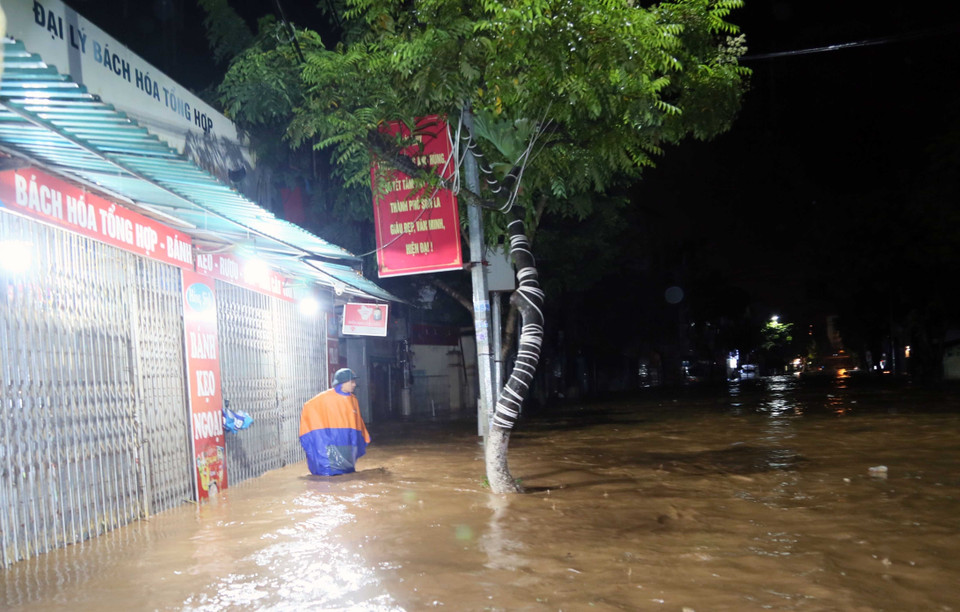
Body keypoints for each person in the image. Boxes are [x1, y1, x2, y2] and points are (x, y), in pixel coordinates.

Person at [299, 368, 371, 476]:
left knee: (346, 477)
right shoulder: (323, 399)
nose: (354, 384)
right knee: (331, 479)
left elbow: (357, 423)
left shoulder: (353, 400)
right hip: (330, 446)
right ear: (342, 383)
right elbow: (308, 409)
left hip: (346, 445)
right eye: (351, 382)